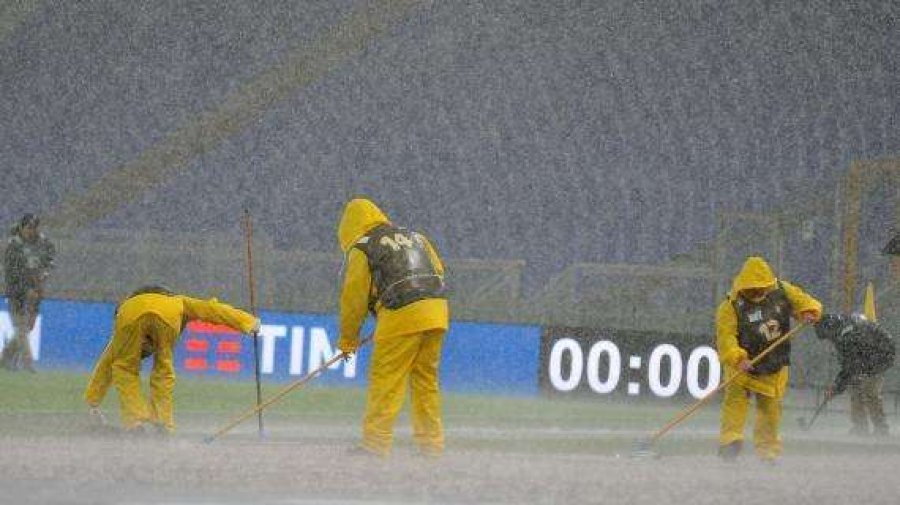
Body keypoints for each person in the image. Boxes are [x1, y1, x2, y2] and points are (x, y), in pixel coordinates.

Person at [335, 198, 449, 457]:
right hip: (437, 312)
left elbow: (354, 300)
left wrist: (347, 341)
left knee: (386, 379)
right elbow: (438, 271)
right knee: (425, 381)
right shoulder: (416, 237)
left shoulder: (363, 248)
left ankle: (375, 444)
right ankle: (431, 445)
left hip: (400, 312)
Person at [83, 285, 259, 434]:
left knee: (124, 368)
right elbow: (213, 310)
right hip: (169, 314)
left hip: (130, 313)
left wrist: (93, 402)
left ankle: (135, 420)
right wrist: (249, 322)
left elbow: (106, 364)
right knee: (163, 371)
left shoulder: (125, 318)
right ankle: (164, 422)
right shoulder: (179, 301)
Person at [716, 256, 822, 462]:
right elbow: (726, 338)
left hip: (774, 364)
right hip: (742, 369)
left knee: (770, 412)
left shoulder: (782, 290)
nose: (757, 292)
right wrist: (738, 358)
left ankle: (767, 452)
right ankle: (730, 441)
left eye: (760, 288)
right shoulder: (730, 306)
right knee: (735, 404)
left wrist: (809, 312)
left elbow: (805, 302)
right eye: (752, 288)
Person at [814, 313, 896, 436]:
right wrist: (837, 386)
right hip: (870, 355)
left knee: (870, 392)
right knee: (856, 388)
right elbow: (850, 364)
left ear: (830, 330)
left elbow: (850, 366)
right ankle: (861, 427)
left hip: (878, 357)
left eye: (828, 337)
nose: (830, 341)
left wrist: (836, 388)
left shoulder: (847, 337)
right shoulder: (844, 327)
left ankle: (881, 429)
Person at [2, 213, 55, 372]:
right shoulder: (14, 246)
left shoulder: (43, 243)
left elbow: (50, 260)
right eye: (29, 227)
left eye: (34, 227)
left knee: (28, 327)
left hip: (36, 290)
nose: (31, 231)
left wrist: (42, 277)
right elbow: (13, 273)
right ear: (22, 227)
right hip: (16, 292)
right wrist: (26, 289)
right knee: (21, 328)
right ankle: (28, 365)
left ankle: (4, 357)